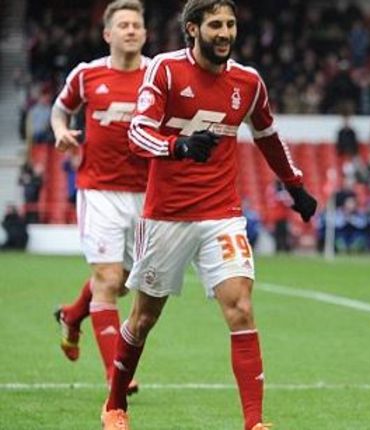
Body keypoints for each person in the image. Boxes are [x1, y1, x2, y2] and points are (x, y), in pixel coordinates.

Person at [102, 1, 318, 429]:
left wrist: (294, 185)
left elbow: (268, 136)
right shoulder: (164, 69)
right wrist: (176, 146)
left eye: (231, 24)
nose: (225, 33)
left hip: (222, 213)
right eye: (215, 24)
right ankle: (114, 405)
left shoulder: (249, 81)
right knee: (144, 317)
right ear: (192, 28)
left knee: (240, 306)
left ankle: (254, 422)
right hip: (167, 216)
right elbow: (137, 131)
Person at [51, 0, 149, 396]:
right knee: (108, 280)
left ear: (144, 33)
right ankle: (117, 377)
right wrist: (61, 130)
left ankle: (73, 317)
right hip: (99, 191)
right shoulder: (87, 74)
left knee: (123, 284)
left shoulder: (159, 75)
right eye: (122, 24)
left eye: (136, 25)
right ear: (107, 33)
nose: (130, 30)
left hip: (147, 194)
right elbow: (61, 110)